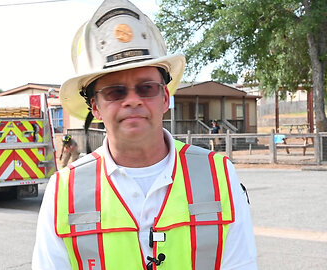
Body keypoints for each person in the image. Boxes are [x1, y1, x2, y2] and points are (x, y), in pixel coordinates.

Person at [32, 0, 257, 269]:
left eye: (146, 88)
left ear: (164, 97)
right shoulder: (63, 192)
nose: (132, 100)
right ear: (95, 107)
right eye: (115, 92)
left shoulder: (219, 177)